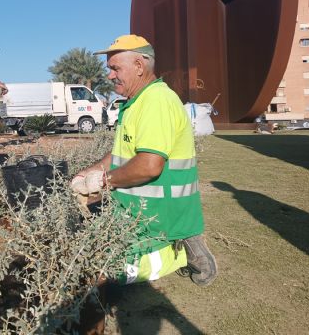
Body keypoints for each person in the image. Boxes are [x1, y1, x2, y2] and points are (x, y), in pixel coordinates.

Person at [71, 34, 217, 286]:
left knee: (105, 276)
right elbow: (121, 153)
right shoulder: (136, 102)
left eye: (115, 68)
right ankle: (184, 239)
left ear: (139, 66)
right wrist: (88, 173)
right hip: (134, 213)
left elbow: (149, 165)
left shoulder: (156, 101)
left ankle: (183, 245)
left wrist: (103, 182)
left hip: (157, 221)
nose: (110, 75)